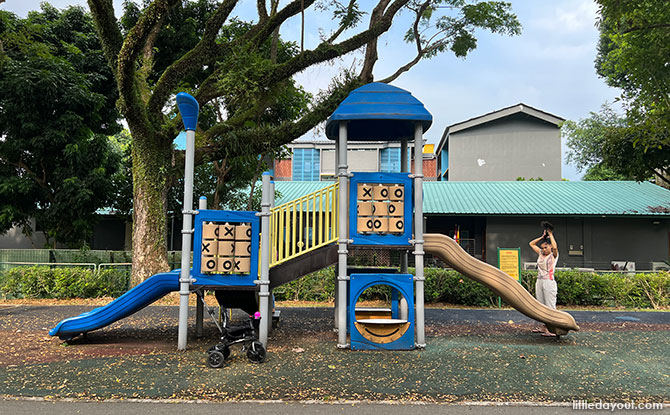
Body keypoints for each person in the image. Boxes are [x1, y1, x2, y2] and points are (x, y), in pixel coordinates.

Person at [528, 225, 559, 337]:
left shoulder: (553, 256)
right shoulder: (541, 254)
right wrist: (542, 237)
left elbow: (555, 248)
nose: (544, 249)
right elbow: (531, 244)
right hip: (539, 281)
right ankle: (544, 327)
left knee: (550, 305)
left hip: (549, 282)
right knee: (541, 304)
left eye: (546, 247)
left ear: (550, 247)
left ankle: (553, 329)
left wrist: (550, 234)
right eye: (543, 247)